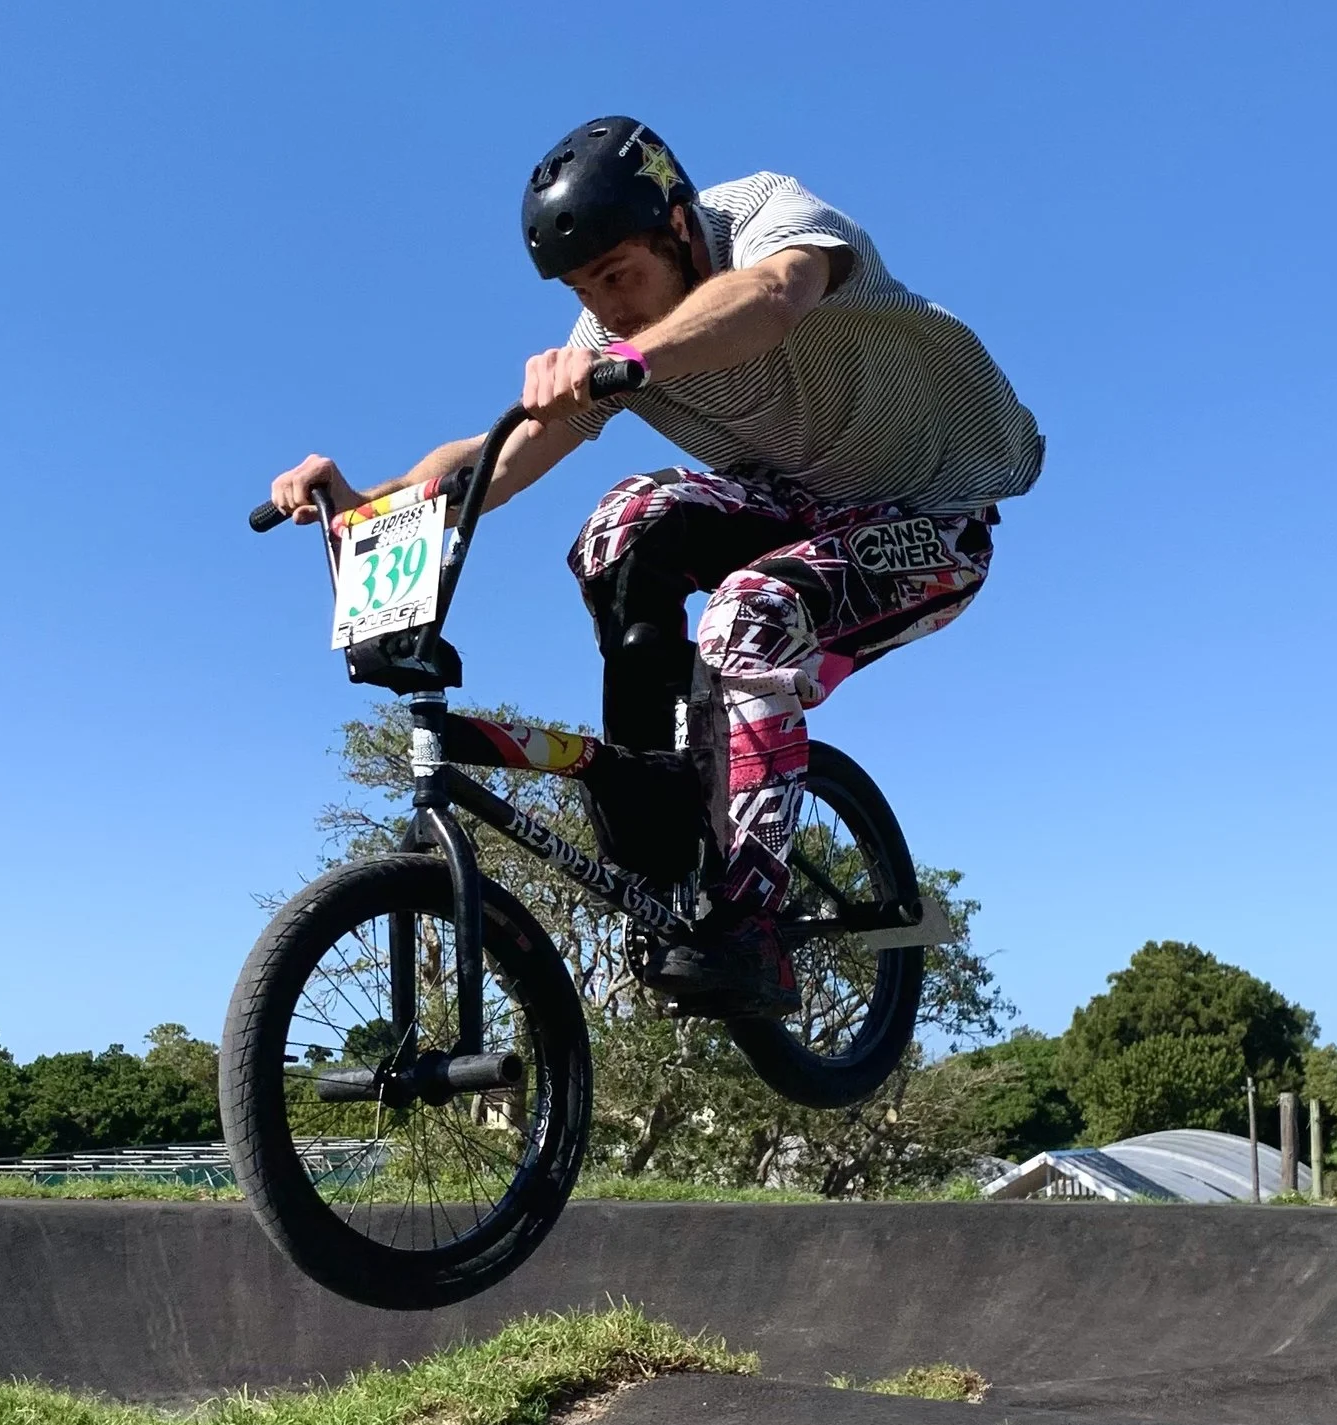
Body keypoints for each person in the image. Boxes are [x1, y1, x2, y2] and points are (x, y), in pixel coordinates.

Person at [268, 115, 1043, 1014]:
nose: (607, 310)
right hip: (798, 498)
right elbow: (497, 462)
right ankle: (658, 799)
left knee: (749, 615)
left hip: (938, 511)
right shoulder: (607, 341)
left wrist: (626, 362)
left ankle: (748, 924)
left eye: (620, 277)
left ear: (678, 228)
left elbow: (775, 297)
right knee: (620, 526)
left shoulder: (762, 215)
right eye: (584, 291)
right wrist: (366, 499)